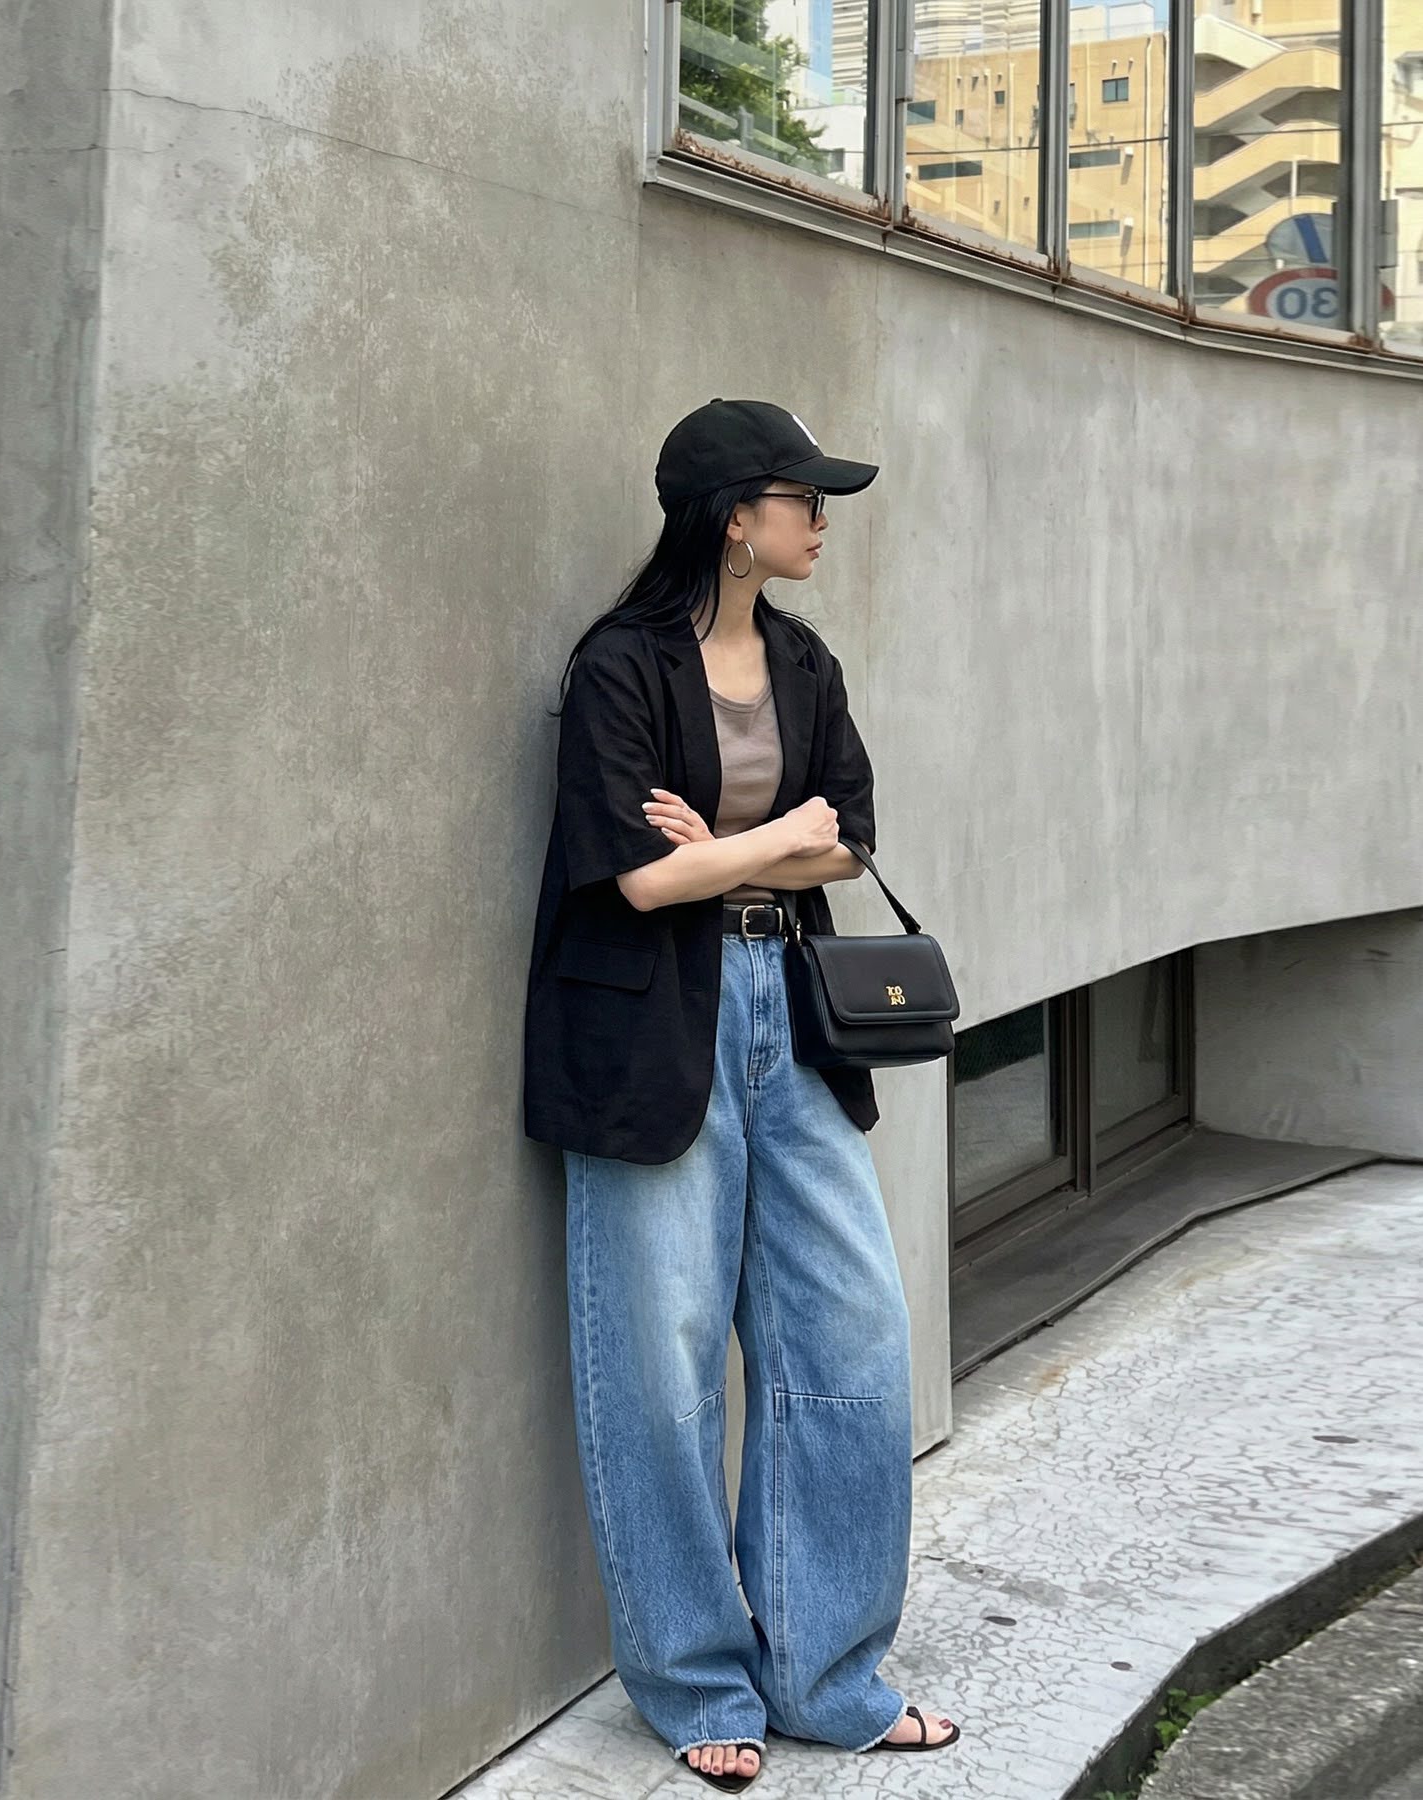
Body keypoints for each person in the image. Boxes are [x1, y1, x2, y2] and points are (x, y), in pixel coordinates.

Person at [521, 400, 961, 1793]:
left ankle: (827, 1675)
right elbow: (640, 880)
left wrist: (732, 848)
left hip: (793, 1014)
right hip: (655, 1029)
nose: (821, 522)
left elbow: (851, 841)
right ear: (733, 518)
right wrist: (772, 840)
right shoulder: (619, 666)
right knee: (659, 1364)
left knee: (852, 1337)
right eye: (802, 499)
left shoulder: (802, 660)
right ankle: (697, 1679)